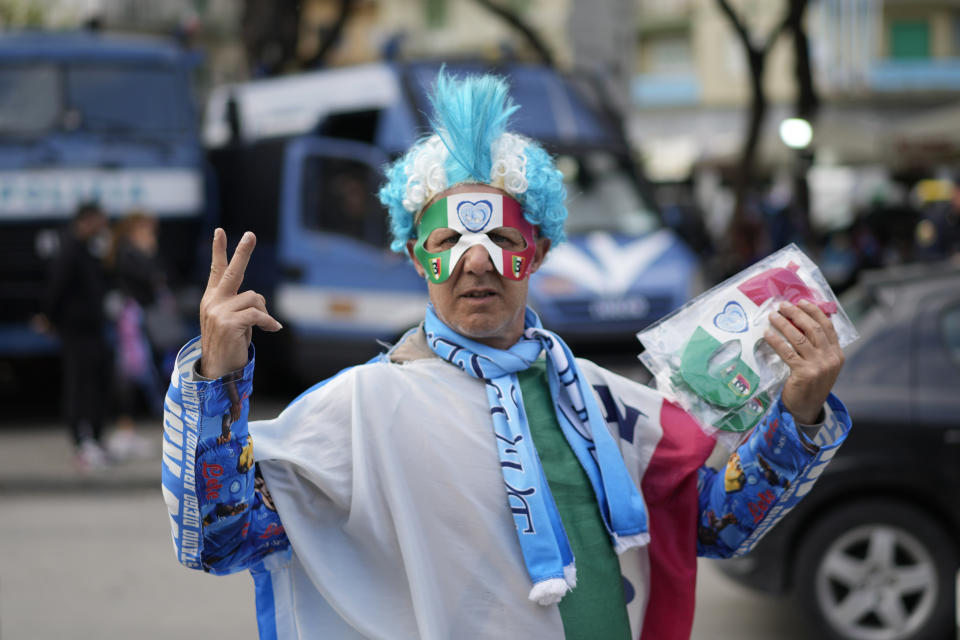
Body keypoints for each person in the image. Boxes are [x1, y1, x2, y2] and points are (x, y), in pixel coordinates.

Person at [161, 72, 851, 639]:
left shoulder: (605, 400)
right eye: (448, 247)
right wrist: (217, 379)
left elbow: (712, 523)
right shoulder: (363, 409)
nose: (476, 265)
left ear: (540, 251)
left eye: (501, 242)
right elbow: (219, 539)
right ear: (415, 257)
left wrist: (798, 411)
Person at [43, 201, 112, 470]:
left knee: (96, 382)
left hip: (92, 329)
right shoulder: (70, 250)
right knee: (79, 384)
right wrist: (49, 318)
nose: (104, 226)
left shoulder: (87, 249)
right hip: (76, 330)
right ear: (87, 220)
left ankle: (94, 439)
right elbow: (56, 288)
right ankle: (81, 443)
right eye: (100, 220)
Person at [105, 211, 165, 460]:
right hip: (132, 321)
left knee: (141, 373)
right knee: (133, 373)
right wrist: (148, 255)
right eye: (147, 229)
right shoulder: (129, 253)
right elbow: (150, 280)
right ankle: (125, 429)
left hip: (137, 319)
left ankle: (128, 428)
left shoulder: (128, 252)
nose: (152, 235)